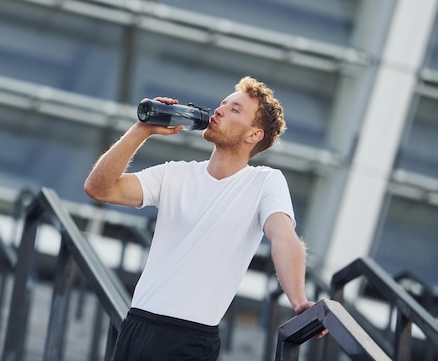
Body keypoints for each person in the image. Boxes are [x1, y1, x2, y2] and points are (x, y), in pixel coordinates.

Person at [84, 76, 319, 361]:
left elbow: (283, 238)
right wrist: (141, 129)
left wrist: (299, 301)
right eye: (223, 104)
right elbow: (99, 188)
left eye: (234, 110)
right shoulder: (174, 174)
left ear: (253, 135)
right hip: (137, 325)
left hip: (191, 338)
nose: (219, 110)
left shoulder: (265, 182)